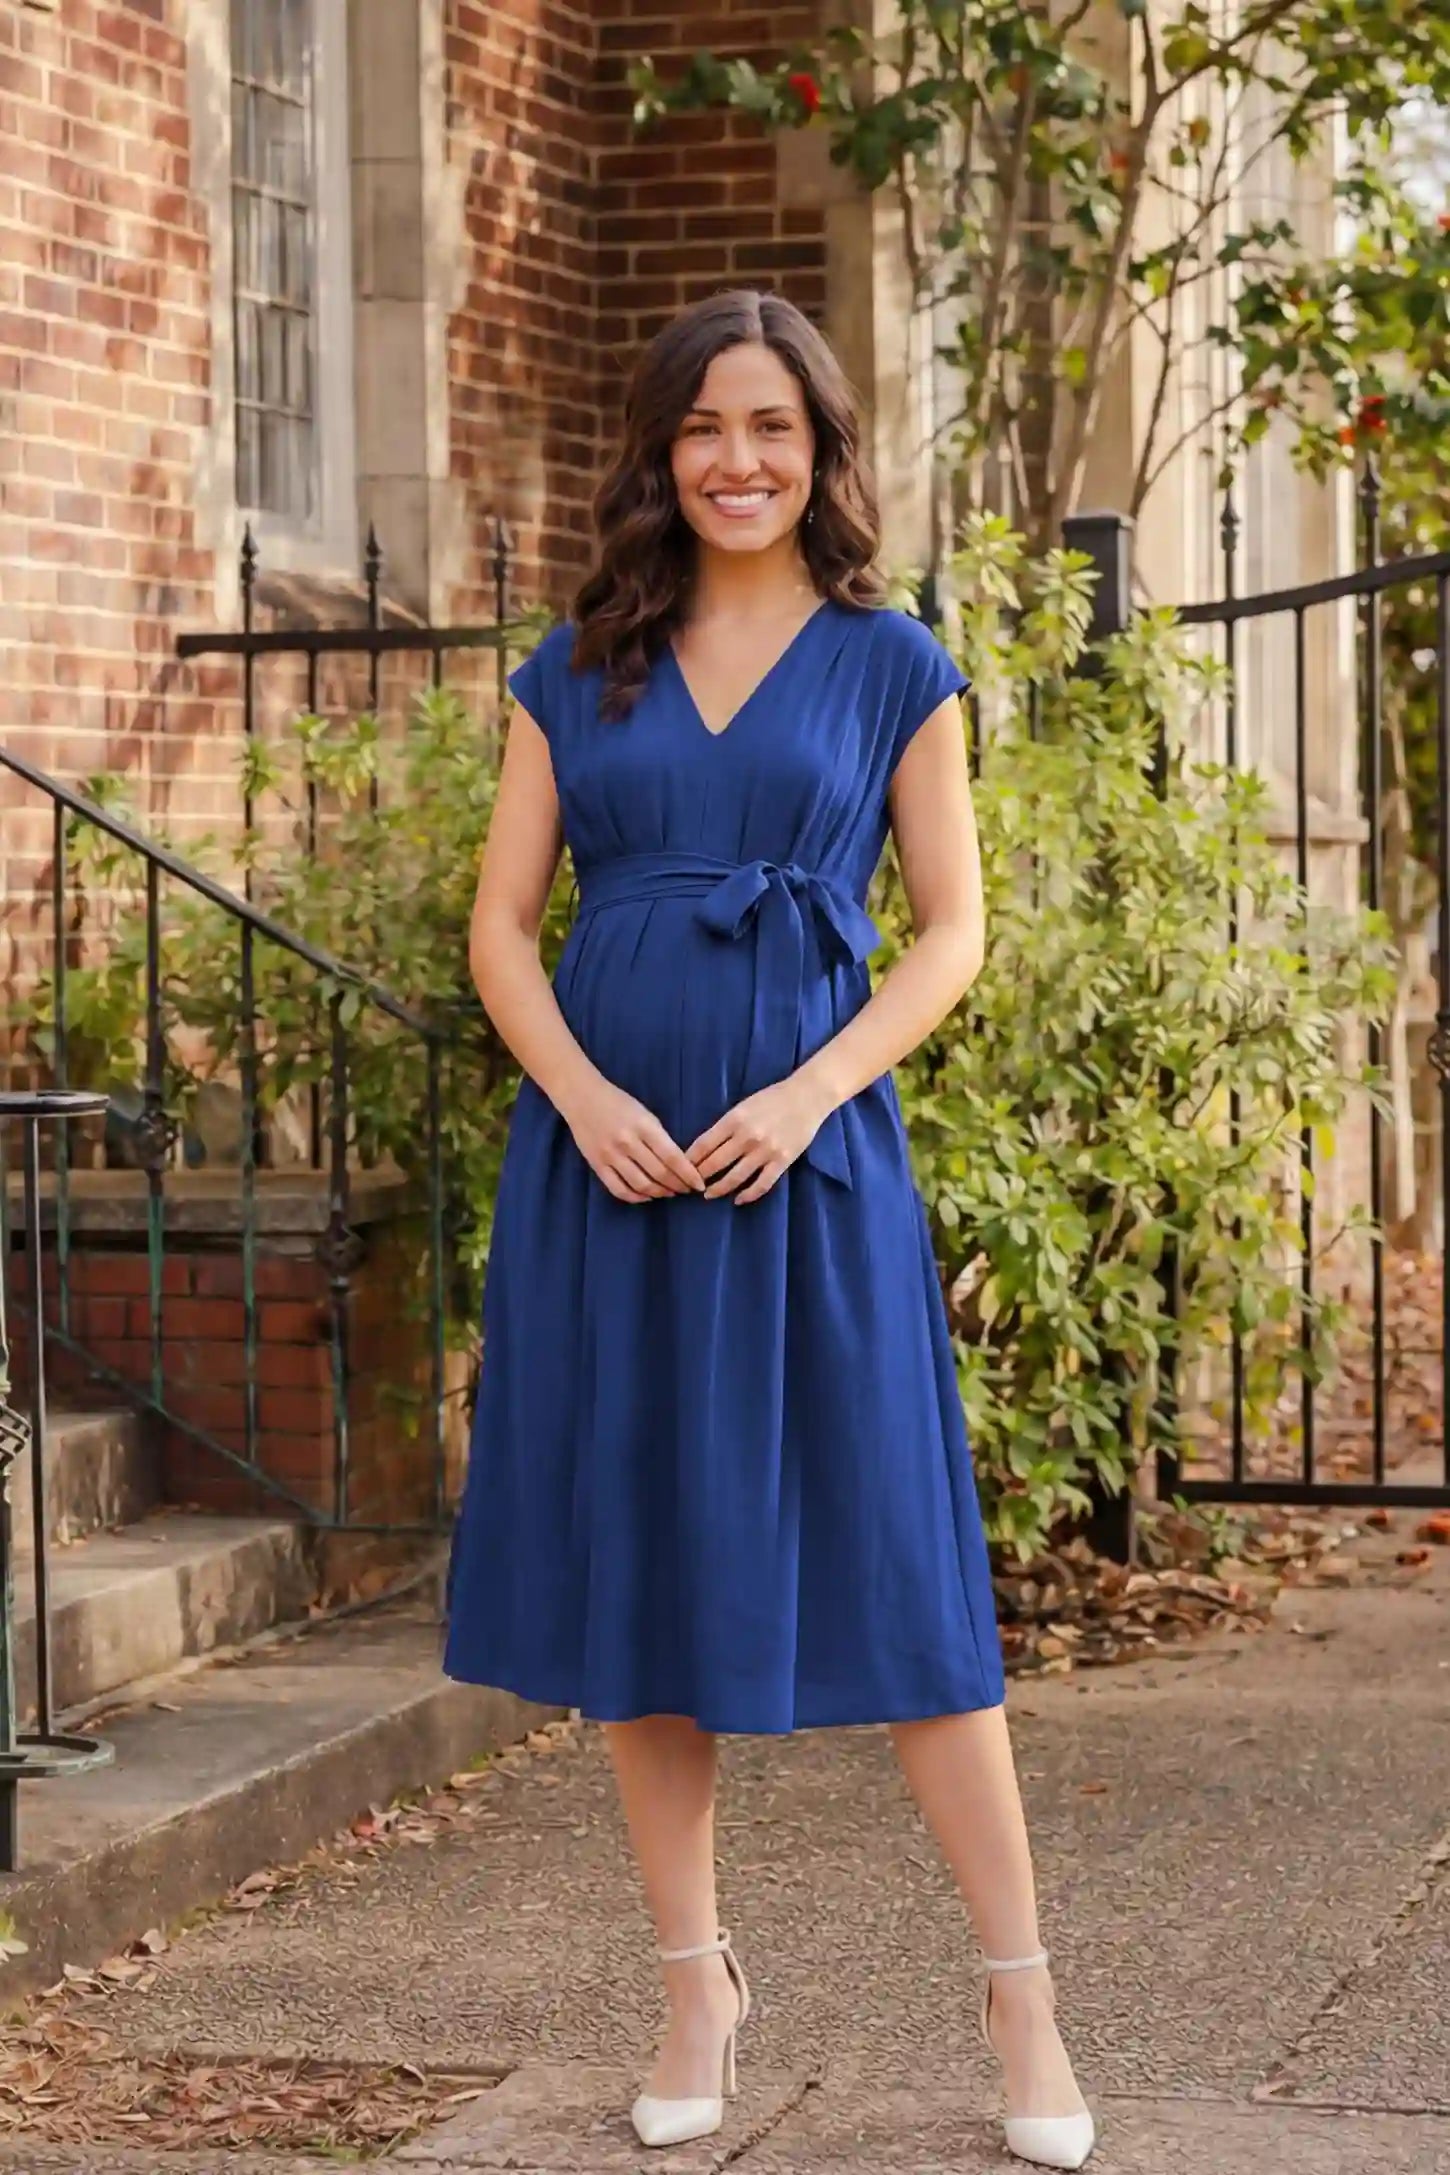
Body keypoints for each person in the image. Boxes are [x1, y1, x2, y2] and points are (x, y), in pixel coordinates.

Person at [442, 286, 1095, 2171]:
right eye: (703, 429)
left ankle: (1020, 1996)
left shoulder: (895, 662)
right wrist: (580, 1097)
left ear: (820, 453)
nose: (736, 461)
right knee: (644, 1583)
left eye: (772, 430)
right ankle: (690, 1986)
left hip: (806, 1171)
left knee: (905, 1578)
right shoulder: (581, 666)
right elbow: (503, 926)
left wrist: (812, 1092)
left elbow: (954, 930)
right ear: (660, 453)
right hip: (612, 1171)